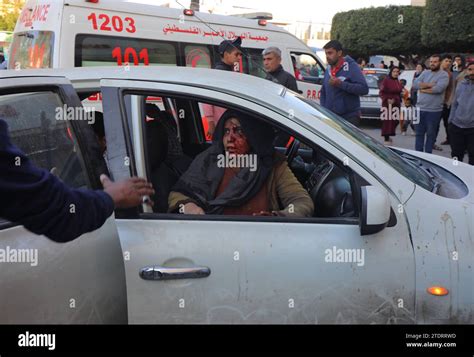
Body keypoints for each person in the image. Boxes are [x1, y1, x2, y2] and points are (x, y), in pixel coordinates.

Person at [0, 118, 155, 243]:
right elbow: (59, 210)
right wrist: (112, 196)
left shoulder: (117, 163)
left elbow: (56, 208)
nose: (74, 147)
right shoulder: (78, 163)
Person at [168, 110, 314, 217]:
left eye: (238, 131)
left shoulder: (272, 164)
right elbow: (178, 194)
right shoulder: (209, 160)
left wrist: (278, 217)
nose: (230, 138)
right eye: (226, 131)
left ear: (253, 136)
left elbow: (302, 202)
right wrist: (189, 207)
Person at [320, 40, 369, 126]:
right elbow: (324, 91)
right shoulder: (328, 69)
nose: (327, 56)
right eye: (326, 54)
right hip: (331, 118)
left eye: (330, 53)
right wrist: (324, 110)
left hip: (349, 118)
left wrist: (341, 84)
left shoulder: (352, 67)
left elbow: (364, 89)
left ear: (339, 53)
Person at [203, 37, 243, 138]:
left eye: (240, 54)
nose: (239, 57)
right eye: (236, 54)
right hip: (221, 125)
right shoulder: (218, 74)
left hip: (228, 124)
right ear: (226, 54)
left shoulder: (229, 72)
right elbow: (207, 99)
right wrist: (211, 124)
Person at [412, 54, 449, 153]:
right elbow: (415, 85)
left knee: (430, 135)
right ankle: (418, 156)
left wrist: (422, 89)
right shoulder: (425, 72)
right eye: (431, 62)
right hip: (419, 109)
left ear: (439, 62)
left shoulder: (444, 75)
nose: (432, 64)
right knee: (419, 134)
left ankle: (428, 157)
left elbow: (438, 89)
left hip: (434, 111)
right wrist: (429, 85)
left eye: (435, 62)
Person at [448, 61, 474, 165]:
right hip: (456, 126)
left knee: (473, 155)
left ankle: (471, 178)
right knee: (455, 155)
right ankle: (455, 174)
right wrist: (450, 120)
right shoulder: (461, 85)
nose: (472, 72)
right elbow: (454, 104)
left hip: (472, 128)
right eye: (470, 69)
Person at [379, 66, 403, 144]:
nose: (396, 73)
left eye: (397, 72)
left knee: (395, 121)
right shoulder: (386, 80)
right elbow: (381, 92)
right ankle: (386, 138)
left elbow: (399, 92)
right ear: (391, 72)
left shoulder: (397, 81)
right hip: (388, 104)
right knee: (387, 122)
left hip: (396, 104)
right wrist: (387, 99)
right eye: (394, 71)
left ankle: (389, 136)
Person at [436, 54, 454, 147]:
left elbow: (450, 88)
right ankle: (432, 142)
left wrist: (448, 101)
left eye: (450, 62)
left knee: (448, 123)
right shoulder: (436, 72)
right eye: (446, 61)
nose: (448, 63)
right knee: (435, 124)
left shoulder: (449, 74)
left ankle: (449, 139)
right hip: (435, 102)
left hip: (445, 102)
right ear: (441, 61)